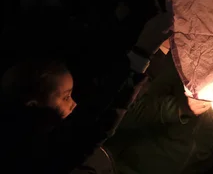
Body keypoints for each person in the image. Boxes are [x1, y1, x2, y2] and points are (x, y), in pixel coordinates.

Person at [0, 12, 172, 174]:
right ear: (33, 105)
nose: (74, 103)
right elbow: (91, 126)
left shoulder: (51, 134)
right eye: (66, 97)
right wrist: (141, 54)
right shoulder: (36, 157)